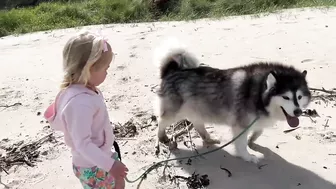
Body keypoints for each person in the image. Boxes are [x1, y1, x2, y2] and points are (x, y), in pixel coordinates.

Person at [43, 30, 128, 189]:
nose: (107, 72)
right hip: (93, 165)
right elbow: (82, 144)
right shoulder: (80, 103)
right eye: (105, 68)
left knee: (119, 183)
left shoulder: (84, 89)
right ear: (89, 68)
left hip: (99, 157)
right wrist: (110, 165)